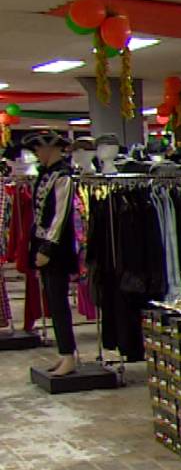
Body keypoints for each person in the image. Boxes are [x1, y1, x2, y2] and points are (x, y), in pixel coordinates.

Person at [26, 131, 78, 376]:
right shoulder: (45, 175)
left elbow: (60, 216)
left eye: (39, 148)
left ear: (51, 149)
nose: (37, 153)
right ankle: (63, 353)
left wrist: (47, 247)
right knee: (53, 302)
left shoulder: (63, 177)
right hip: (43, 245)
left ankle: (69, 355)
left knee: (59, 302)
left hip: (56, 249)